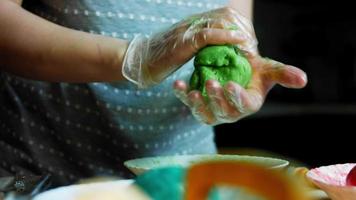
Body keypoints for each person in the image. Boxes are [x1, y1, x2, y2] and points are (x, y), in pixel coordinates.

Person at [0, 0, 307, 189]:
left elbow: (234, 33)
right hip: (39, 176)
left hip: (181, 181)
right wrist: (133, 57)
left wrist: (237, 89)